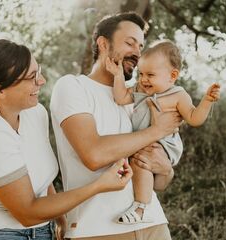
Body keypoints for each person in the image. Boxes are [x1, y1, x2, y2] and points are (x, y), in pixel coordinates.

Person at [0, 39, 133, 240]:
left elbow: (43, 183)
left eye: (39, 71)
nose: (41, 81)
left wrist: (61, 221)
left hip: (44, 231)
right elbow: (27, 213)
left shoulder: (34, 113)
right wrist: (99, 185)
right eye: (32, 77)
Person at [50, 12, 182, 239]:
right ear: (103, 44)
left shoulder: (140, 97)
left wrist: (166, 169)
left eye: (141, 46)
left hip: (154, 225)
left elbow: (159, 182)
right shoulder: (73, 87)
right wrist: (157, 130)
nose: (137, 52)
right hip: (98, 229)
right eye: (129, 43)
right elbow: (94, 154)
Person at [107, 40, 221, 224]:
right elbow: (120, 98)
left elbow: (194, 118)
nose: (144, 79)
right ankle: (142, 199)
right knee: (137, 164)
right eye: (141, 73)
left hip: (163, 145)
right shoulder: (139, 89)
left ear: (172, 75)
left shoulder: (178, 95)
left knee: (141, 164)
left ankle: (141, 208)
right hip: (143, 141)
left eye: (150, 75)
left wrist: (207, 101)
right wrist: (118, 75)